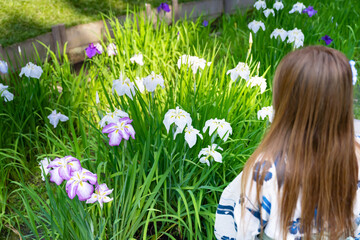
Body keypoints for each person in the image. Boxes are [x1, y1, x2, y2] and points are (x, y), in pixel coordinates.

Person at [214, 46, 360, 240]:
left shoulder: (265, 170)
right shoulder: (355, 157)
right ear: (343, 105)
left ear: (285, 104)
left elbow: (244, 233)